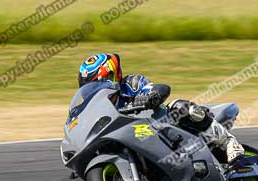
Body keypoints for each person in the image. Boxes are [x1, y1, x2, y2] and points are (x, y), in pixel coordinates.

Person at [77, 53, 244, 163]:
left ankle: (228, 141)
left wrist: (149, 96)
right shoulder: (95, 107)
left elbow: (159, 89)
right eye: (89, 86)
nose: (95, 89)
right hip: (136, 141)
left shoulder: (130, 84)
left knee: (180, 107)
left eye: (99, 83)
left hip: (162, 127)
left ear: (113, 76)